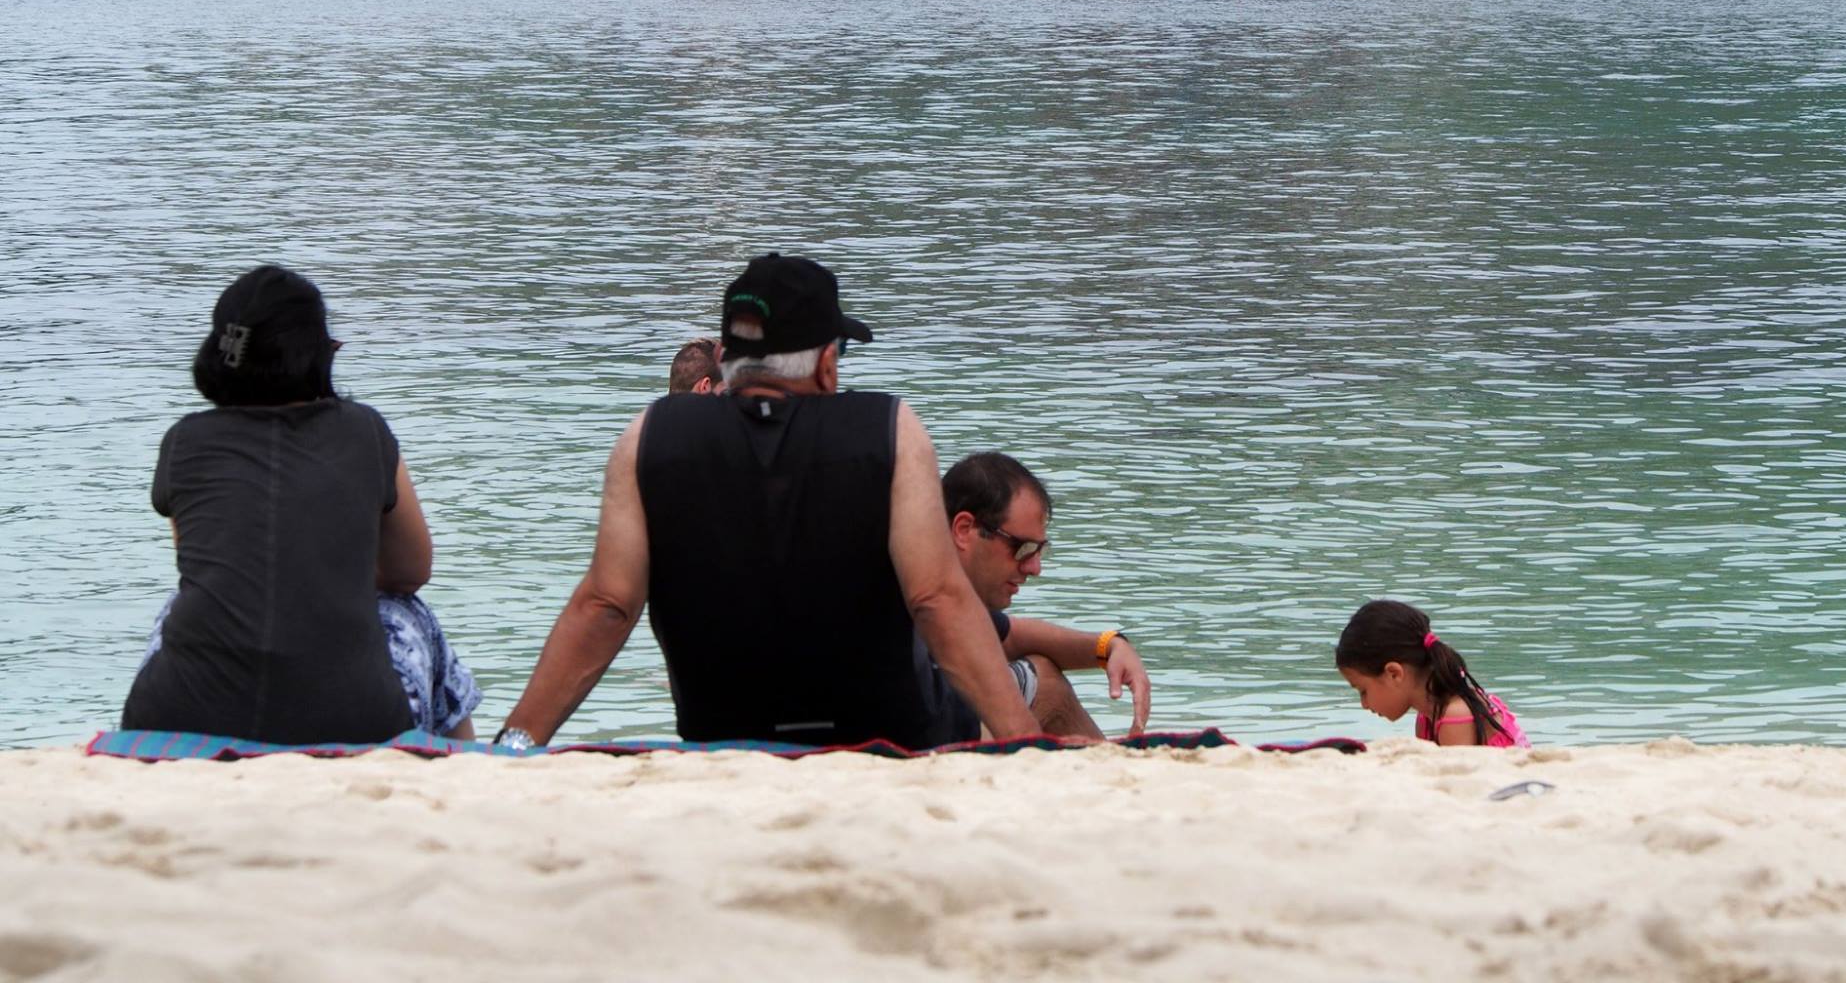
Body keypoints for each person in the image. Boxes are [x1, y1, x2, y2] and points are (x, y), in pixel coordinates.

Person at [497, 254, 1037, 750]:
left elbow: (607, 606)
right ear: (827, 362)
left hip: (723, 741)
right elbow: (937, 598)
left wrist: (517, 740)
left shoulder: (650, 436)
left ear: (728, 359)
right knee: (1038, 682)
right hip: (883, 740)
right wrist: (1023, 743)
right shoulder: (889, 430)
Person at [122, 266, 479, 743]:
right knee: (412, 613)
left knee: (183, 605)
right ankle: (464, 767)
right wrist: (330, 567)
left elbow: (211, 562)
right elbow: (409, 571)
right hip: (354, 718)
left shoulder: (184, 441)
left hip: (178, 714)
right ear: (316, 355)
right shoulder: (364, 431)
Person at [928, 452, 1150, 741]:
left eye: (1039, 551)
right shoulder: (918, 592)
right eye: (1022, 548)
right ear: (964, 529)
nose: (1034, 567)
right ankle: (1110, 776)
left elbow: (1010, 635)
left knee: (1040, 675)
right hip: (910, 733)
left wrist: (1110, 646)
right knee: (1044, 682)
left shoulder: (942, 589)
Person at [1334, 600, 1528, 747]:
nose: (1364, 704)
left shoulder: (1456, 716)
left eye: (1363, 690)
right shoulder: (1427, 715)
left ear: (1394, 674)